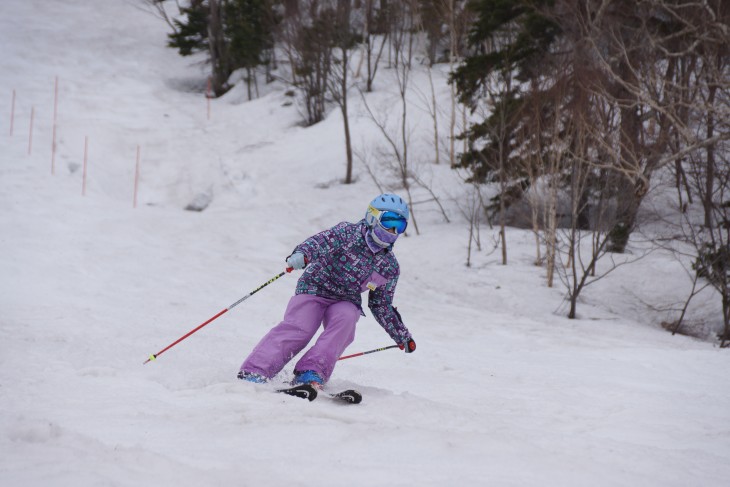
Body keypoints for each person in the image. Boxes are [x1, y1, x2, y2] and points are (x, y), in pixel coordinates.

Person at [237, 193, 416, 388]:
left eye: (400, 226)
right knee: (301, 328)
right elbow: (320, 241)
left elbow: (381, 304)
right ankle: (256, 370)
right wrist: (303, 254)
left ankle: (311, 372)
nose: (392, 230)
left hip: (346, 299)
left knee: (346, 320)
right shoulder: (348, 233)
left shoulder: (389, 266)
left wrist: (401, 336)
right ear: (372, 217)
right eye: (388, 221)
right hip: (315, 287)